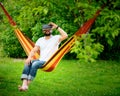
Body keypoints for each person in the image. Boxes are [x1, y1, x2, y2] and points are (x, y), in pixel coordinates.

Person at [18, 22, 68, 91]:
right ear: (43, 31)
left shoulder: (56, 38)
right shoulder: (40, 40)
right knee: (28, 62)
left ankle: (27, 85)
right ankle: (24, 83)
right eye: (45, 30)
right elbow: (34, 50)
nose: (47, 31)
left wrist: (56, 26)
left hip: (49, 61)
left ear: (51, 30)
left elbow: (65, 35)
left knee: (35, 64)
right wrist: (29, 58)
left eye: (48, 29)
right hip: (41, 60)